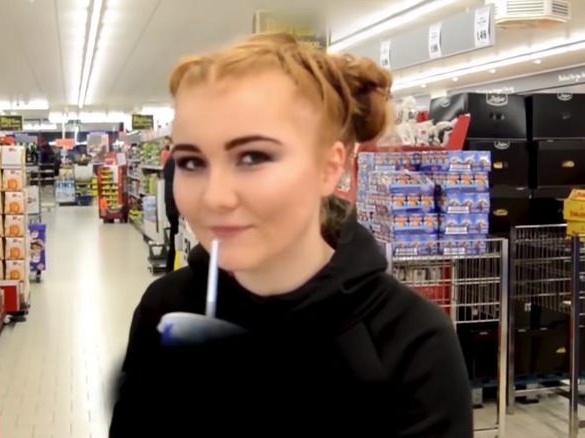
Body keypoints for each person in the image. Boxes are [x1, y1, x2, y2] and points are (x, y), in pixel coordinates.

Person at [109, 32, 473, 437]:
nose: (215, 197)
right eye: (192, 161)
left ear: (329, 168)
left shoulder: (410, 340)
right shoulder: (165, 308)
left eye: (253, 157)